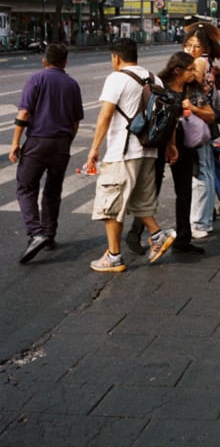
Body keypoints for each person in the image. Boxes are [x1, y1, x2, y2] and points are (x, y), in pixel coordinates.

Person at [87, 38, 177, 272]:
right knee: (139, 201)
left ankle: (114, 256)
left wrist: (94, 148)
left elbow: (105, 115)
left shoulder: (116, 78)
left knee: (111, 204)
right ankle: (157, 236)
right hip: (149, 150)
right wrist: (170, 145)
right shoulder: (153, 78)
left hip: (123, 151)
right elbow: (169, 114)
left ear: (116, 57)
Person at [126, 51, 214, 256]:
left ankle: (183, 239)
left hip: (184, 144)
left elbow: (210, 115)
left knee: (184, 191)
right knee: (151, 189)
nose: (195, 73)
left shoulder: (193, 89)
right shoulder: (159, 84)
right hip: (158, 143)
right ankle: (135, 233)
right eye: (190, 69)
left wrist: (192, 107)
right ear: (177, 70)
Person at [9, 43, 84, 264]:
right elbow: (75, 121)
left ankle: (36, 232)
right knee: (53, 190)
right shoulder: (72, 84)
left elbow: (24, 112)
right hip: (61, 144)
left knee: (25, 187)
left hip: (37, 142)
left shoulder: (36, 79)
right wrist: (67, 140)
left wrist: (15, 142)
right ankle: (49, 235)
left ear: (44, 61)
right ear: (65, 62)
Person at [184, 21, 220, 239]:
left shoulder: (199, 63)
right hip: (205, 121)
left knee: (200, 172)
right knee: (206, 170)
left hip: (198, 120)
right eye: (188, 45)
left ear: (205, 48)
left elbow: (193, 87)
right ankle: (205, 220)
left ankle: (199, 222)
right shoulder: (207, 62)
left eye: (195, 46)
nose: (190, 50)